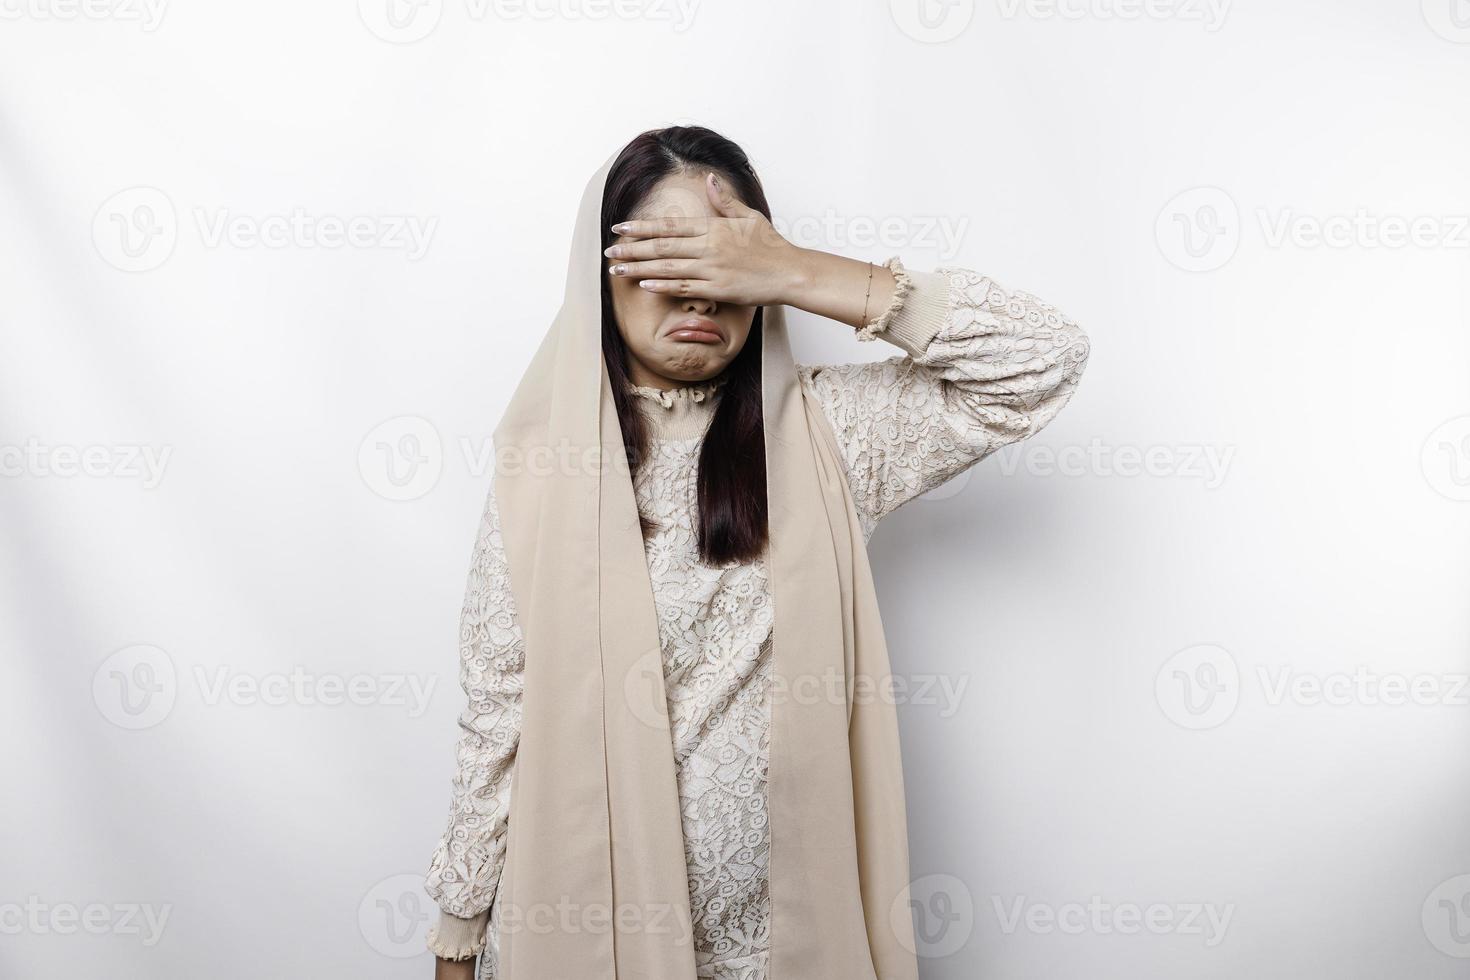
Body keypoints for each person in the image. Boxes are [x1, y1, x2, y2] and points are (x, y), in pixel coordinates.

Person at [424, 125, 1090, 980]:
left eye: (725, 260)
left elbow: (1043, 360)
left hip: (776, 947)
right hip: (583, 928)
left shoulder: (833, 435)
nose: (700, 293)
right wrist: (457, 939)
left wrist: (795, 271)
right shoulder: (539, 465)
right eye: (668, 257)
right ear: (599, 276)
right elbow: (495, 719)